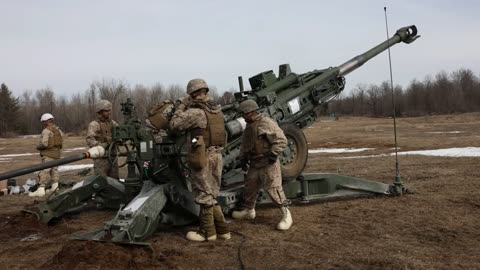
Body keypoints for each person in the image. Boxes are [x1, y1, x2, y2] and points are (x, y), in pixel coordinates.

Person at [169, 78, 230, 242]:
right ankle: (223, 231)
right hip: (217, 156)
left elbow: (174, 124)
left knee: (203, 194)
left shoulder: (196, 112)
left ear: (194, 94)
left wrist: (181, 105)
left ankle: (207, 233)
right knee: (211, 194)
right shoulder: (217, 111)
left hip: (203, 157)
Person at [231, 100, 293, 230]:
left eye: (244, 114)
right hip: (255, 163)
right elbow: (245, 145)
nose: (242, 117)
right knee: (250, 187)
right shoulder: (249, 127)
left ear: (250, 112)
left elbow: (281, 140)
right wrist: (243, 159)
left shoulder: (266, 123)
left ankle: (286, 215)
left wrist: (273, 154)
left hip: (268, 163)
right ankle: (249, 211)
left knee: (274, 188)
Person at [29, 113, 63, 197]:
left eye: (43, 121)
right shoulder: (58, 130)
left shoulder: (46, 131)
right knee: (54, 170)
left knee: (44, 171)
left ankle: (41, 190)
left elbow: (44, 144)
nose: (43, 123)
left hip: (48, 154)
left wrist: (37, 147)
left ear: (46, 121)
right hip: (57, 154)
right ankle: (55, 187)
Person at [86, 100, 119, 178]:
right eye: (106, 111)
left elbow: (120, 133)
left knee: (115, 182)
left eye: (109, 110)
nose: (109, 112)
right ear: (100, 111)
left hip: (113, 157)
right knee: (101, 180)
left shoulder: (113, 123)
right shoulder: (94, 124)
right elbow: (90, 140)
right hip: (101, 159)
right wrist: (101, 145)